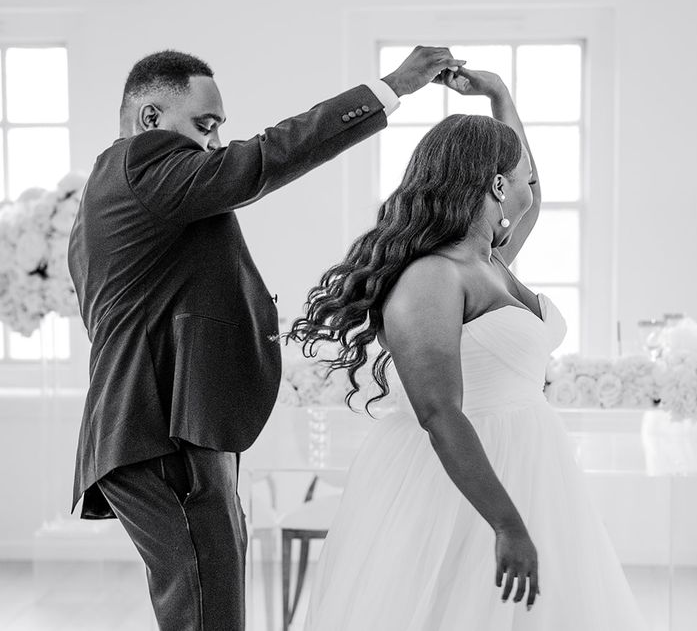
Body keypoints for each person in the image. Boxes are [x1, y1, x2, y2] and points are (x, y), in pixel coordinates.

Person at [67, 46, 464, 631]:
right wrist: (390, 87)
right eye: (205, 126)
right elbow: (262, 160)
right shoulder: (142, 165)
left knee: (207, 608)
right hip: (163, 432)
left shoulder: (111, 197)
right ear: (150, 120)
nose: (214, 143)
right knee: (208, 612)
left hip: (159, 429)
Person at [288, 67, 648, 629]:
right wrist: (506, 523)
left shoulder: (491, 261)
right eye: (519, 174)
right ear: (498, 186)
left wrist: (500, 94)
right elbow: (438, 412)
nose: (531, 185)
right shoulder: (432, 278)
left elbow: (532, 196)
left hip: (531, 461)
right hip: (456, 482)